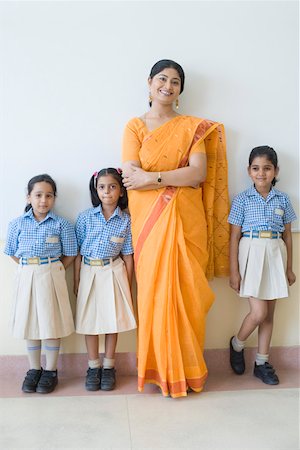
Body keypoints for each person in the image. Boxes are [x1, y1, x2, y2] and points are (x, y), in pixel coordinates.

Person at [122, 59, 229, 398]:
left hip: (187, 222)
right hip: (150, 227)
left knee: (187, 295)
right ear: (150, 82)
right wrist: (167, 178)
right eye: (163, 79)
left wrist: (154, 177)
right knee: (155, 293)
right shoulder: (135, 126)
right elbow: (129, 177)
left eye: (175, 82)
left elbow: (197, 173)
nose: (168, 86)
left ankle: (188, 371)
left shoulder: (192, 127)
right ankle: (158, 371)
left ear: (181, 90)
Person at [228, 146, 297, 385]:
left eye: (267, 168)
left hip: (275, 252)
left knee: (269, 315)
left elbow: (288, 236)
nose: (261, 173)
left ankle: (261, 362)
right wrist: (234, 271)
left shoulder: (283, 199)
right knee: (259, 312)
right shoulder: (242, 199)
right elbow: (234, 237)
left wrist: (289, 267)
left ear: (275, 170)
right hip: (251, 253)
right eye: (256, 168)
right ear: (249, 171)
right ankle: (237, 343)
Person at [4, 174, 77, 394]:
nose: (43, 200)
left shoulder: (61, 224)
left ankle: (51, 370)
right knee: (31, 323)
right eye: (38, 195)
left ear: (54, 198)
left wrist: (54, 268)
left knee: (51, 322)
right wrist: (30, 267)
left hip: (52, 273)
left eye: (48, 195)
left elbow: (71, 253)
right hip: (26, 274)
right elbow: (11, 252)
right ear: (28, 197)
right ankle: (35, 368)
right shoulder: (16, 223)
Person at [74, 168, 136, 391]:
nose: (107, 191)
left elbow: (128, 256)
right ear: (95, 190)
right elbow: (78, 253)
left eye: (112, 186)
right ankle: (93, 366)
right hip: (90, 271)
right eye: (102, 187)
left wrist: (127, 285)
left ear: (120, 191)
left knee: (112, 321)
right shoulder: (85, 218)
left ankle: (109, 366)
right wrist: (77, 281)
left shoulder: (126, 220)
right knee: (90, 322)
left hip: (114, 271)